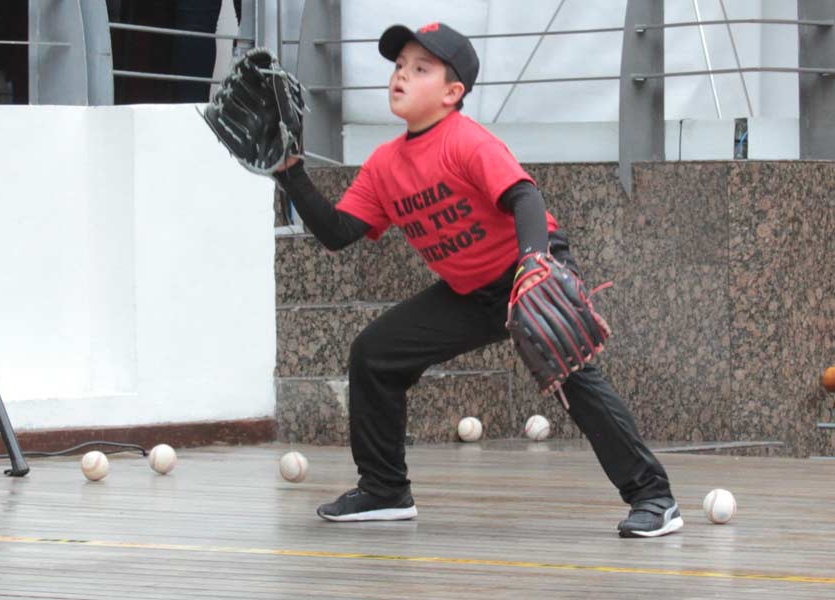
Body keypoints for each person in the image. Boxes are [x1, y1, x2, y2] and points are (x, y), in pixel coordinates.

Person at [272, 22, 683, 538]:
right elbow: (337, 233)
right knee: (375, 354)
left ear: (452, 93)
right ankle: (384, 490)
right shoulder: (383, 166)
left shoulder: (466, 141)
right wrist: (290, 172)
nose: (402, 75)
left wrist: (534, 264)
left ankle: (654, 498)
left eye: (421, 68)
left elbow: (524, 198)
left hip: (530, 269)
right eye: (399, 66)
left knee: (572, 376)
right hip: (470, 292)